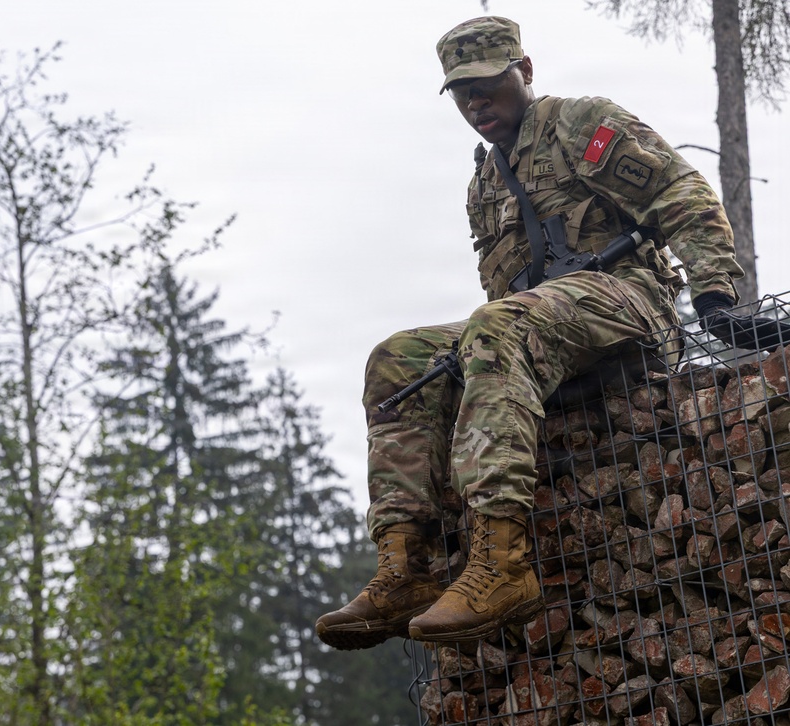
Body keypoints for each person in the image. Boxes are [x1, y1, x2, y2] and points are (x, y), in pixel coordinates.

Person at [315, 15, 744, 650]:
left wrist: (713, 295)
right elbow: (505, 294)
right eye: (463, 94)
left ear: (526, 71)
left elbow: (680, 192)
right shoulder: (485, 182)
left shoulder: (581, 124)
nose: (476, 104)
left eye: (488, 86)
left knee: (495, 325)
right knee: (397, 359)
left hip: (628, 303)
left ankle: (501, 566)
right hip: (539, 326)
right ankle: (406, 566)